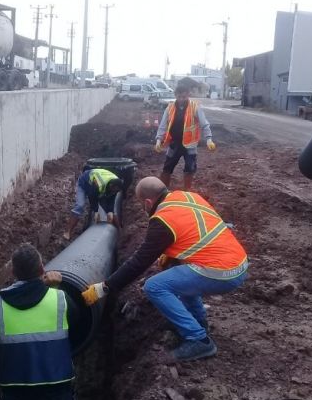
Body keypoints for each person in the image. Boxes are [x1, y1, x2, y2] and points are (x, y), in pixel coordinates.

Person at [81, 177, 248, 361]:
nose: (144, 210)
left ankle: (199, 340)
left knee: (154, 286)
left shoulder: (162, 221)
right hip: (238, 263)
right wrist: (172, 254)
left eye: (142, 205)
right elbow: (195, 230)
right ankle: (198, 321)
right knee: (179, 275)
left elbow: (138, 262)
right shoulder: (189, 197)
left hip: (220, 272)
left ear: (148, 202)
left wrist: (104, 287)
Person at [0, 243, 81, 400]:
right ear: (42, 269)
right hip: (57, 392)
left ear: (13, 273)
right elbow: (75, 334)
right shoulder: (60, 298)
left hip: (15, 394)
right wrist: (56, 288)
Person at [154, 83, 216, 190]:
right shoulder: (170, 107)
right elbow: (163, 125)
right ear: (175, 95)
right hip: (174, 143)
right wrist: (159, 140)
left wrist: (209, 139)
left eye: (184, 97)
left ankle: (187, 191)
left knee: (189, 169)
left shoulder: (195, 107)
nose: (181, 99)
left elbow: (204, 123)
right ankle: (163, 192)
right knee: (167, 168)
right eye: (179, 97)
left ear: (188, 95)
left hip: (190, 146)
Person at [64, 168, 123, 240]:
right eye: (114, 190)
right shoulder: (99, 184)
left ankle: (119, 230)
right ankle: (68, 232)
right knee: (80, 205)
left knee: (109, 210)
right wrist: (96, 211)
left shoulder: (116, 184)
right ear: (111, 186)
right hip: (84, 184)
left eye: (117, 191)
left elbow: (111, 199)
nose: (115, 192)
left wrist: (110, 211)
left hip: (98, 187)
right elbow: (92, 197)